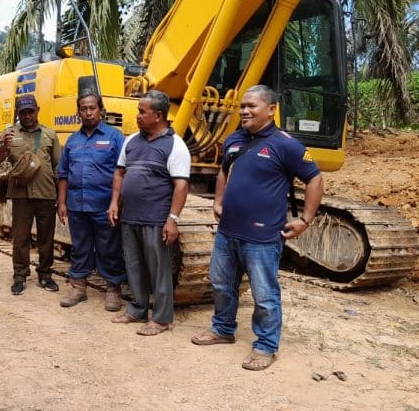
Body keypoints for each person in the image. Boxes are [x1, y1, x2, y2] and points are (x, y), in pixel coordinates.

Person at [191, 85, 323, 371]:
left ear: (271, 109)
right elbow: (225, 170)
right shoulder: (233, 140)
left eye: (252, 106)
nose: (245, 111)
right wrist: (218, 200)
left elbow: (314, 178)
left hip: (262, 237)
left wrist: (305, 219)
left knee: (264, 294)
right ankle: (223, 329)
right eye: (242, 106)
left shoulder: (287, 145)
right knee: (222, 285)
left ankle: (265, 345)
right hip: (228, 232)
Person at [108, 90, 190, 336]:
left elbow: (181, 185)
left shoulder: (175, 145)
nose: (138, 116)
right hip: (130, 216)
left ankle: (163, 318)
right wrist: (114, 203)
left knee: (159, 269)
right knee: (133, 266)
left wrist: (172, 220)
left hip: (155, 219)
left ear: (159, 115)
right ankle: (137, 310)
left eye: (142, 112)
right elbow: (119, 173)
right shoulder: (131, 141)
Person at [56, 90, 126, 311]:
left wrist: (117, 203)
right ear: (78, 112)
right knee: (80, 247)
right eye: (83, 109)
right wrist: (62, 202)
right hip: (77, 206)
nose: (88, 113)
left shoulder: (115, 137)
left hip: (105, 206)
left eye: (92, 108)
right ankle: (79, 288)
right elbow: (63, 173)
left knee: (109, 248)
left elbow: (122, 172)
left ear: (100, 110)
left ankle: (113, 290)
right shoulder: (72, 140)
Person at [0, 94, 62, 295]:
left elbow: (58, 167)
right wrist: (4, 145)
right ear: (18, 114)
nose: (27, 116)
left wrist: (62, 198)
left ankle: (45, 275)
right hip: (21, 194)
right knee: (20, 238)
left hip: (46, 193)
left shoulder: (49, 134)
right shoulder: (9, 133)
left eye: (30, 111)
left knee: (46, 238)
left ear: (37, 110)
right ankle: (20, 276)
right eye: (23, 112)